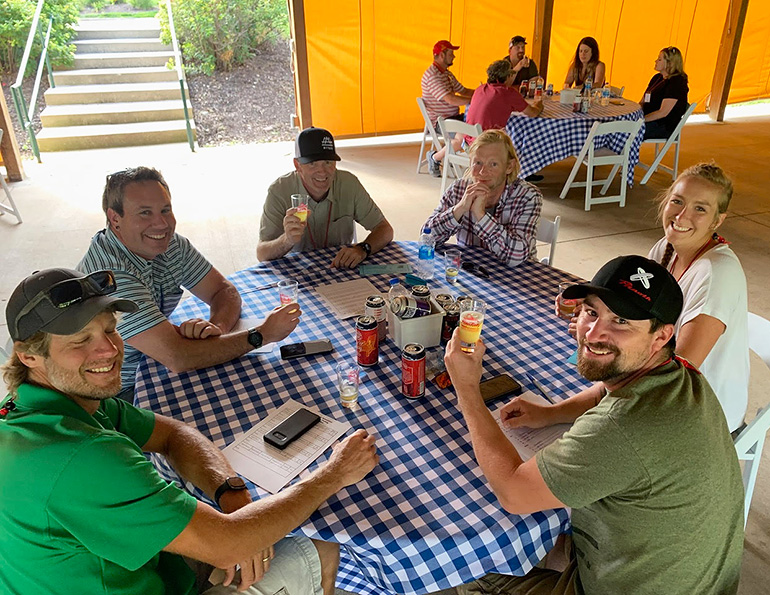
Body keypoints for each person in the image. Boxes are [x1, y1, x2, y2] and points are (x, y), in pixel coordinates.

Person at [0, 267, 379, 595]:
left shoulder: (44, 407)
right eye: (81, 341)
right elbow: (230, 546)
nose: (109, 350)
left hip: (140, 568)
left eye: (110, 330)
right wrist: (333, 475)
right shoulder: (84, 455)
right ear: (28, 355)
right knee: (319, 547)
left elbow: (172, 434)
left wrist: (233, 497)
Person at [446, 255, 744, 595]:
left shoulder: (624, 426)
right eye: (591, 312)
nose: (593, 333)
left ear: (660, 336)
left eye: (621, 321)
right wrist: (551, 412)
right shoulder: (680, 372)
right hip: (694, 577)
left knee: (467, 567)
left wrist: (467, 390)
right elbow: (610, 384)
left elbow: (513, 493)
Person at [79, 167, 300, 398]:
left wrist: (217, 329)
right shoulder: (111, 276)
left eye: (166, 210)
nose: (162, 224)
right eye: (145, 213)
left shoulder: (171, 245)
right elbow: (178, 357)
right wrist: (262, 335)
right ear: (115, 219)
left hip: (154, 362)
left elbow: (223, 290)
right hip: (112, 391)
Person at [648, 162, 748, 433]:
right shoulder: (665, 248)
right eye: (677, 201)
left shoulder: (718, 272)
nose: (681, 216)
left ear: (718, 220)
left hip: (704, 413)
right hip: (662, 384)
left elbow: (679, 370)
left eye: (700, 208)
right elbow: (639, 313)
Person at [257, 126, 393, 268]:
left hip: (341, 268)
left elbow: (385, 230)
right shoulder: (279, 190)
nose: (322, 172)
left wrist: (362, 249)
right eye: (312, 164)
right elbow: (262, 254)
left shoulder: (349, 184)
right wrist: (287, 240)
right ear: (297, 165)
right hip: (298, 273)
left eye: (328, 162)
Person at [422, 129, 541, 267]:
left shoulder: (528, 196)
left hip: (518, 277)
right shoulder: (459, 189)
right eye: (478, 162)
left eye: (493, 164)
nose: (483, 172)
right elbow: (426, 239)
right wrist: (459, 209)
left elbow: (516, 257)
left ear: (509, 166)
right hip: (473, 272)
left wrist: (481, 216)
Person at [422, 40, 474, 177]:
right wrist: (475, 101)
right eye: (451, 53)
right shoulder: (432, 76)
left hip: (453, 118)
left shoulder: (446, 74)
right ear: (441, 55)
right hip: (441, 122)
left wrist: (483, 93)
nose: (454, 56)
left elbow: (463, 91)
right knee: (467, 133)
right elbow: (451, 99)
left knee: (478, 124)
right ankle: (435, 157)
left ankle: (450, 154)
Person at [466, 60, 543, 136]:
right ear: (507, 77)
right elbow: (533, 113)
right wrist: (538, 104)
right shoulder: (508, 93)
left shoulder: (480, 88)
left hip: (469, 141)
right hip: (486, 142)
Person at [640, 46, 689, 140]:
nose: (655, 61)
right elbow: (642, 101)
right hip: (648, 119)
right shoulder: (657, 78)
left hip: (663, 125)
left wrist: (641, 120)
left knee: (627, 131)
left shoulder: (677, 82)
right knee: (619, 125)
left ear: (669, 63)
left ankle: (623, 154)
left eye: (659, 59)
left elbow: (663, 113)